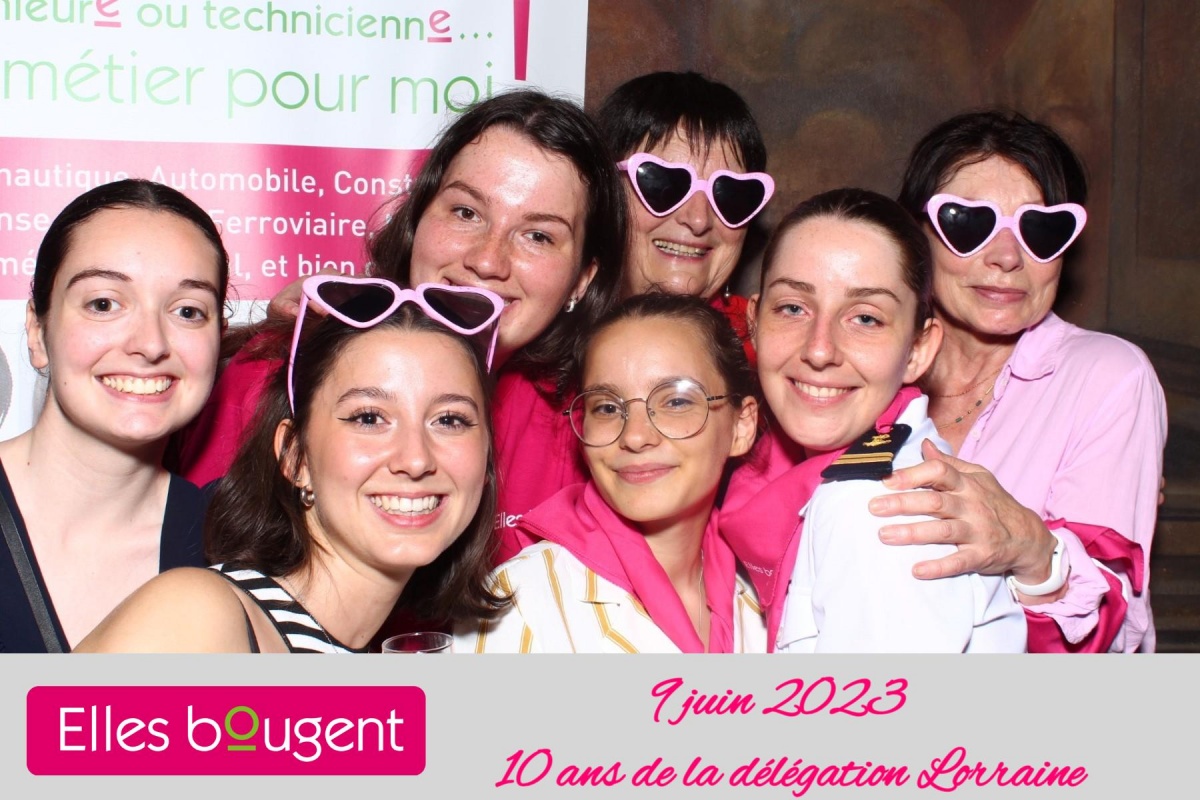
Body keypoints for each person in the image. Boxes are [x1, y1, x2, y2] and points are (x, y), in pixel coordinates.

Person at [76, 277, 504, 652]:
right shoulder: (201, 620)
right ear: (295, 456)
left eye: (450, 420)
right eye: (369, 418)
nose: (416, 459)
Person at [871, 110, 1166, 652]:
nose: (1008, 257)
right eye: (968, 223)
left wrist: (1035, 552)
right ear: (915, 235)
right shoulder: (864, 366)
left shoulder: (1108, 379)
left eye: (1040, 230)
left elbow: (1112, 629)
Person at [721, 188, 1026, 652]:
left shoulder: (877, 513)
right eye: (793, 308)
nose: (819, 350)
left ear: (918, 350)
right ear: (755, 323)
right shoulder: (781, 468)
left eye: (865, 318)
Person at [490, 71, 776, 561]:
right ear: (602, 194)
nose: (698, 219)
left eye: (731, 195)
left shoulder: (775, 370)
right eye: (663, 184)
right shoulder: (517, 357)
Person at [455, 293, 764, 653]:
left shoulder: (766, 598)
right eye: (607, 407)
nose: (634, 436)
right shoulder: (519, 604)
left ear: (741, 426)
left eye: (676, 401)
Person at [0, 179, 226, 652]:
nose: (151, 343)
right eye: (103, 304)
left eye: (188, 311)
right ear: (38, 332)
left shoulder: (235, 547)